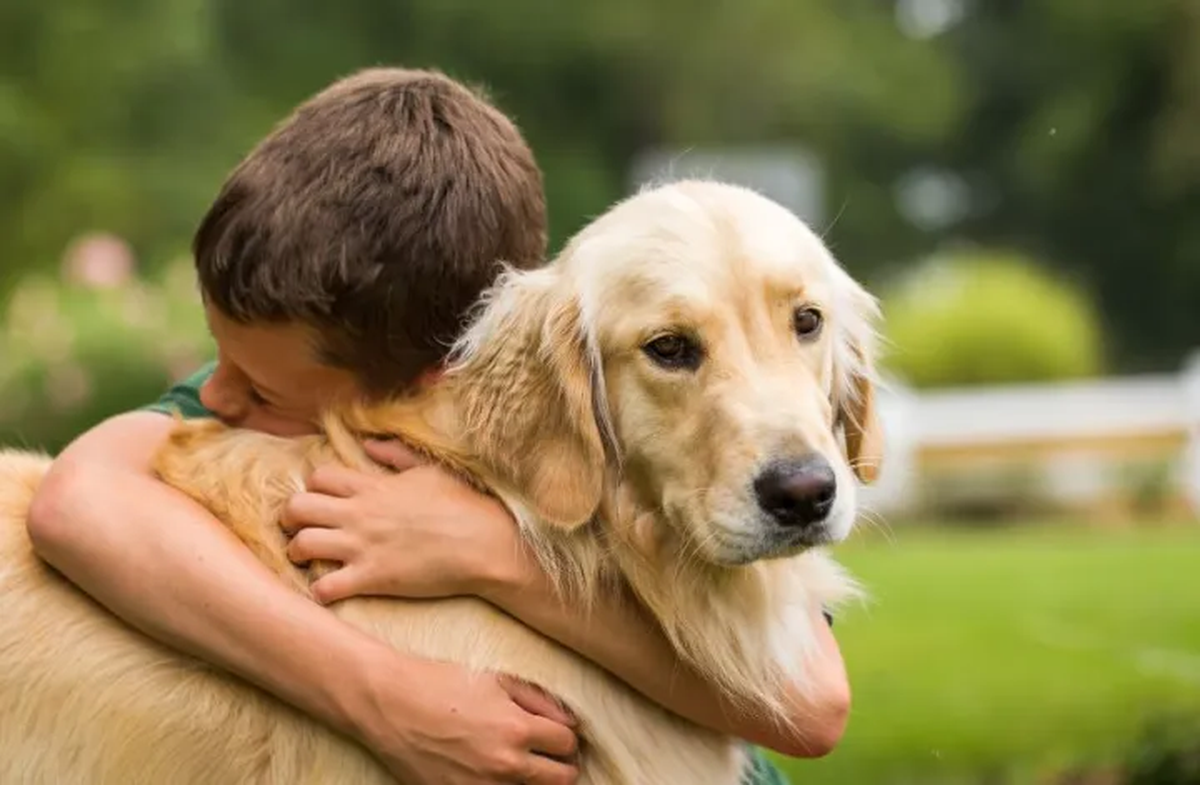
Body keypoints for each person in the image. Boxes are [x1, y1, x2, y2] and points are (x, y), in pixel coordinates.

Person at [27, 67, 848, 785]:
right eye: (220, 360)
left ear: (426, 382)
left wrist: (493, 557)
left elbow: (812, 706)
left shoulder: (542, 386)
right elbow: (75, 501)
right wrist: (382, 693)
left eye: (262, 384)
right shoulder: (274, 385)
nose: (218, 397)